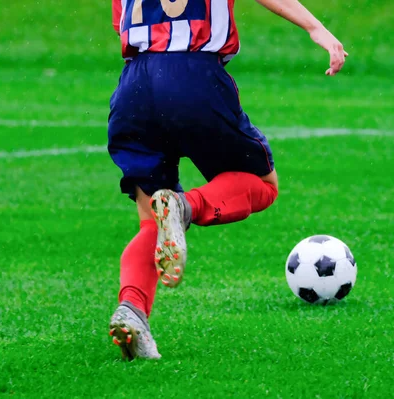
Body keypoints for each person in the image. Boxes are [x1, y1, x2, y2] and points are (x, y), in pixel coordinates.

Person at [107, 0, 348, 360]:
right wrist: (314, 27)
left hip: (133, 87)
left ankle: (132, 309)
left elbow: (123, 24)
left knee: (150, 222)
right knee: (262, 184)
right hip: (193, 76)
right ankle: (185, 206)